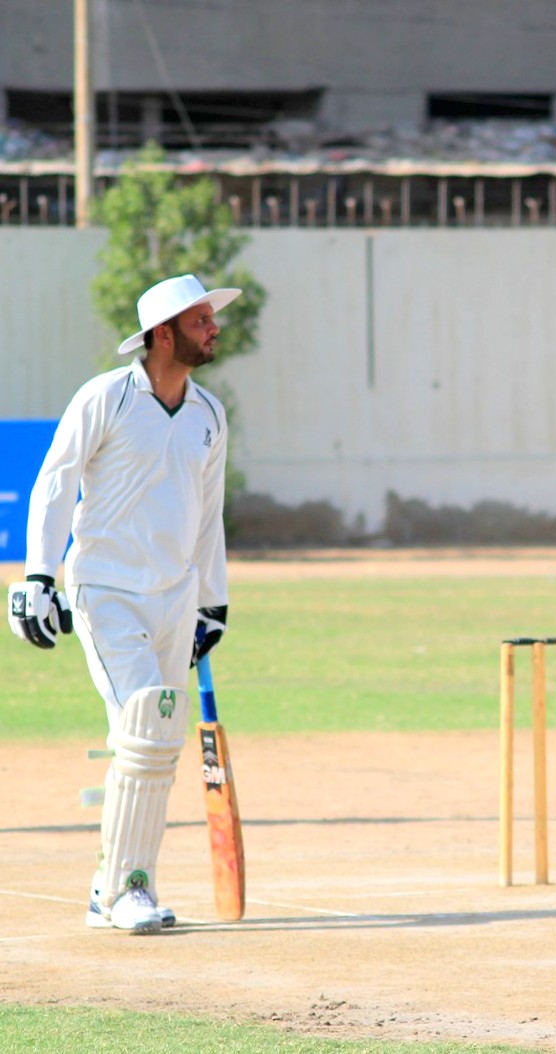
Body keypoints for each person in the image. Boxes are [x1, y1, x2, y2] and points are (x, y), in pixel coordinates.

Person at [7, 274, 240, 933]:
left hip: (177, 594)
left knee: (157, 739)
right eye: (200, 321)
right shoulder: (105, 397)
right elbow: (55, 484)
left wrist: (213, 602)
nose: (214, 329)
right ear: (161, 334)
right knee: (146, 722)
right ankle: (124, 892)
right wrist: (39, 576)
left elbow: (209, 514)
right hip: (106, 588)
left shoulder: (209, 414)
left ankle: (118, 889)